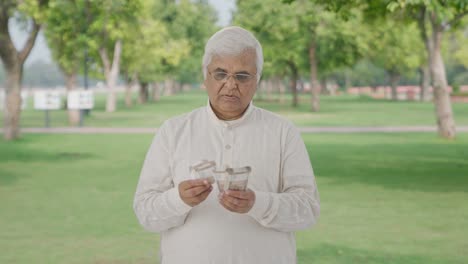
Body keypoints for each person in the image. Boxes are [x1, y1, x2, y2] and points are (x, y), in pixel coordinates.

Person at [133, 26, 320, 264]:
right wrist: (179, 199)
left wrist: (258, 203)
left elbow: (307, 210)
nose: (231, 85)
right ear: (205, 76)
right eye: (220, 74)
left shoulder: (283, 132)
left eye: (242, 76)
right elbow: (145, 212)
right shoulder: (173, 131)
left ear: (257, 80)